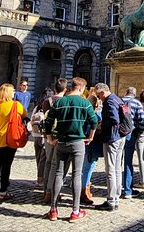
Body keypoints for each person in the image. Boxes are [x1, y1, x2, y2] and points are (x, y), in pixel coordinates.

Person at [43, 77, 98, 222]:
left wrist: (49, 138)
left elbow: (48, 121)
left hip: (61, 142)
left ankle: (53, 210)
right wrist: (90, 137)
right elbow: (94, 121)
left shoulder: (59, 102)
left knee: (59, 174)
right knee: (76, 174)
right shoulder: (85, 103)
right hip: (78, 142)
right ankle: (75, 211)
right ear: (80, 88)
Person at [0, 83, 27, 201]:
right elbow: (25, 117)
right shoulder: (16, 105)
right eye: (13, 91)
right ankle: (3, 192)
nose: (14, 93)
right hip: (9, 138)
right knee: (6, 167)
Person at [95, 82, 125, 211]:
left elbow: (114, 120)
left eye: (98, 95)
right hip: (120, 137)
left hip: (112, 138)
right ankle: (116, 196)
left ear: (102, 92)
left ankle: (111, 200)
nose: (99, 98)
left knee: (110, 170)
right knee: (117, 168)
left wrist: (102, 125)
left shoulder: (109, 101)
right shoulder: (117, 98)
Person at [42, 78, 68, 204]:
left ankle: (45, 188)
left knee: (48, 162)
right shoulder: (65, 102)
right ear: (65, 90)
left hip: (48, 136)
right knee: (55, 165)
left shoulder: (47, 101)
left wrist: (48, 137)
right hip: (59, 136)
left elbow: (46, 120)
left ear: (54, 89)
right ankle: (50, 192)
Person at [121, 86, 144, 199]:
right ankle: (127, 190)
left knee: (116, 162)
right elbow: (141, 120)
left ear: (126, 92)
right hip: (131, 135)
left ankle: (115, 189)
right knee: (128, 161)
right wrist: (138, 133)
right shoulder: (137, 103)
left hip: (118, 135)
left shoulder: (118, 101)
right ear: (134, 94)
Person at [80, 92, 102, 205]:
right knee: (88, 167)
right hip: (90, 143)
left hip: (84, 143)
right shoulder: (94, 115)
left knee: (86, 167)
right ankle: (84, 190)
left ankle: (85, 188)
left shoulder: (84, 114)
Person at [31, 88, 53, 189]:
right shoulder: (49, 105)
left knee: (38, 158)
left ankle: (39, 177)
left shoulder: (37, 107)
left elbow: (31, 118)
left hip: (35, 136)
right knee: (43, 159)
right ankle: (41, 180)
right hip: (44, 135)